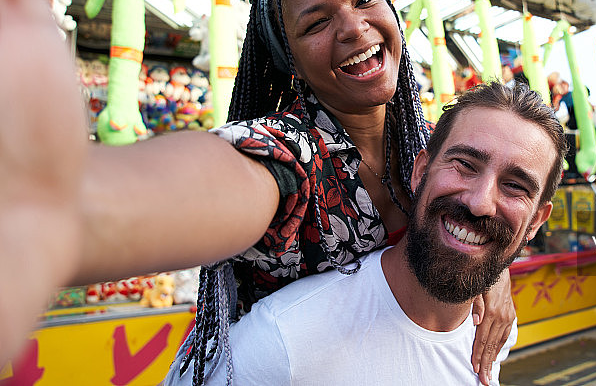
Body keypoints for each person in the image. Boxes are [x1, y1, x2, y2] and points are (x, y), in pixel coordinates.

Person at [0, 0, 512, 385]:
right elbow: (200, 185)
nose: (354, 29)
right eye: (316, 23)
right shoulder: (289, 153)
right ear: (290, 62)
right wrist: (51, 212)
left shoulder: (429, 146)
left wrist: (493, 270)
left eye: (364, 1)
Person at [165, 82, 567, 385]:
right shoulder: (284, 338)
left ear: (536, 220)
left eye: (516, 186)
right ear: (420, 170)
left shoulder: (494, 329)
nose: (481, 202)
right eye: (464, 164)